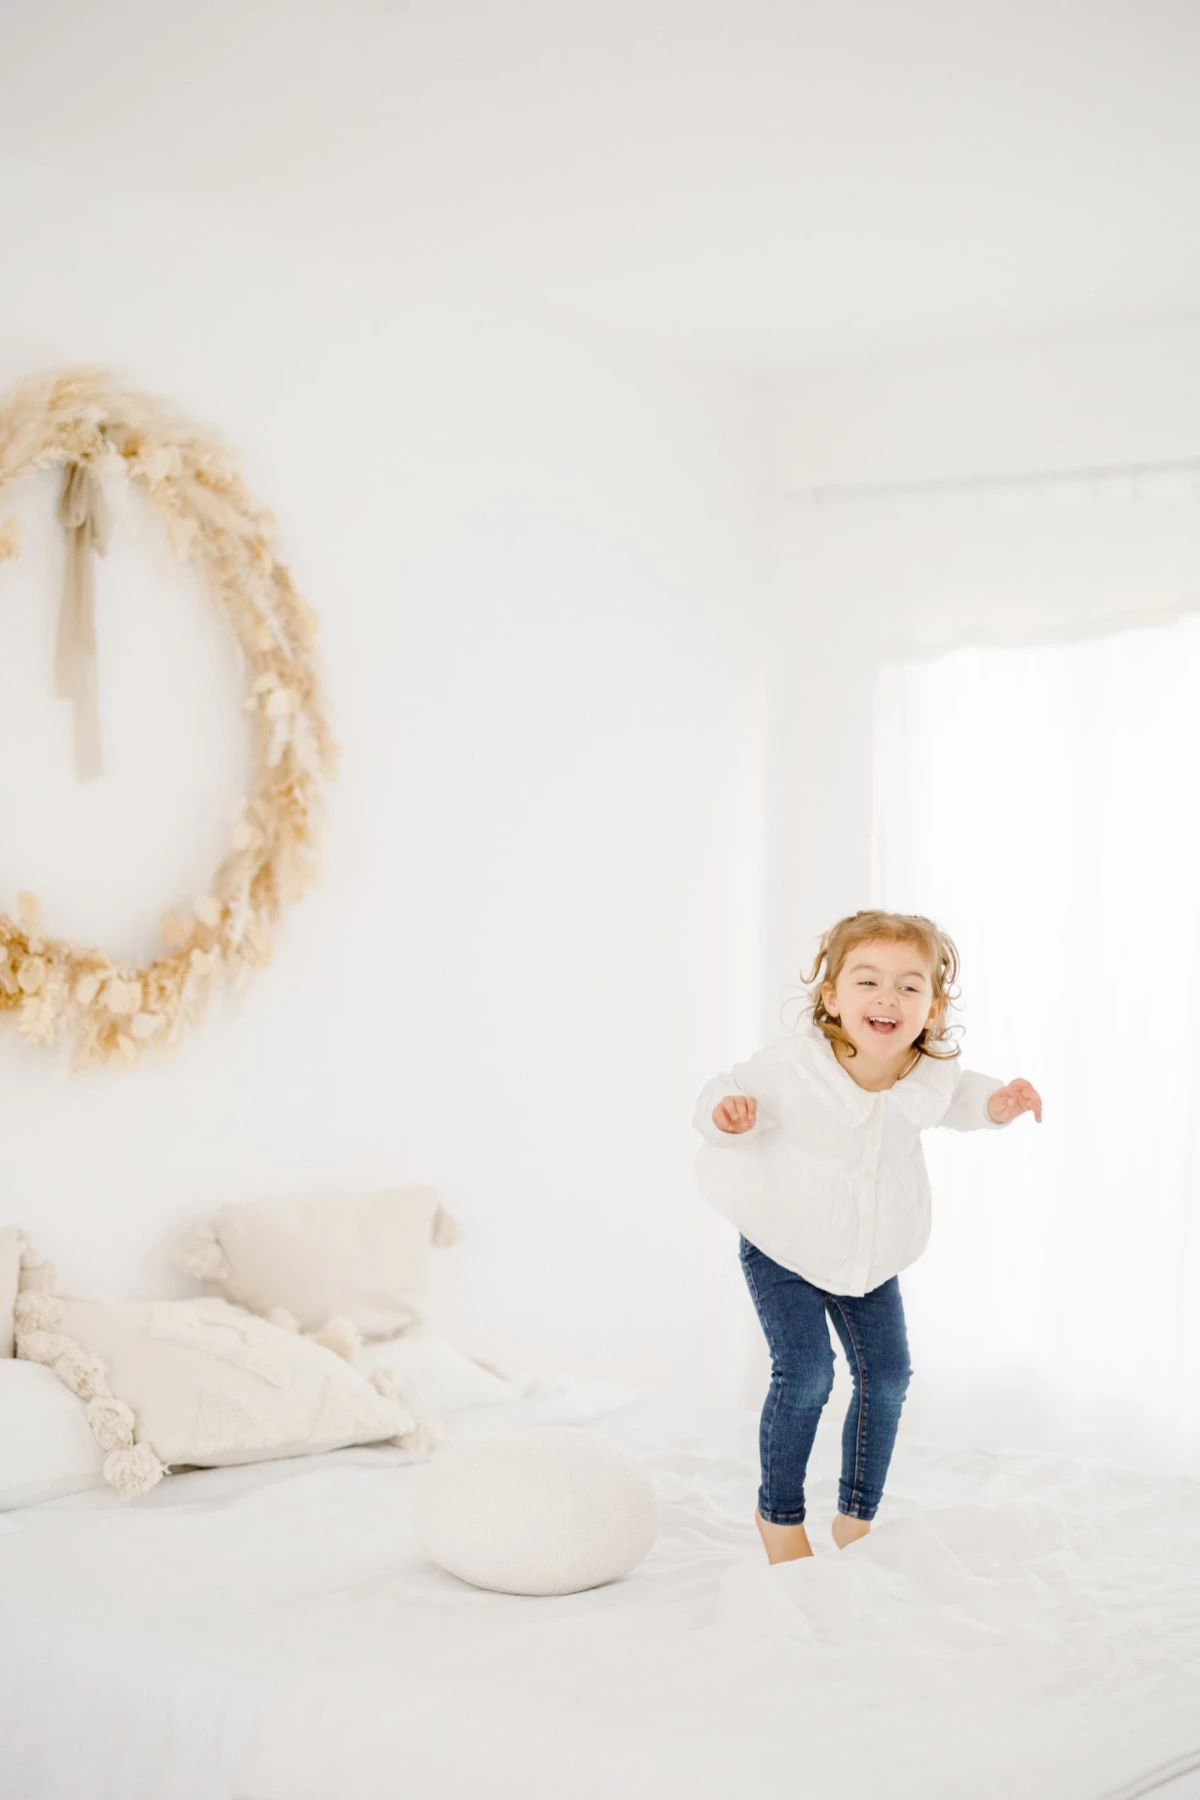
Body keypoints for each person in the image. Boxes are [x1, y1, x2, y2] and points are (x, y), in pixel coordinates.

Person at [692, 909, 1041, 1566]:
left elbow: (960, 1100)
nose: (889, 998)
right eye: (868, 982)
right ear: (832, 998)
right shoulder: (794, 1066)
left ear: (933, 1010)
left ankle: (857, 1516)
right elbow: (727, 1088)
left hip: (867, 1250)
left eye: (910, 987)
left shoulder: (929, 1070)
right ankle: (779, 1514)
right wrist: (725, 1113)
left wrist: (1000, 1106)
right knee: (807, 1375)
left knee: (886, 1377)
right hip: (784, 1240)